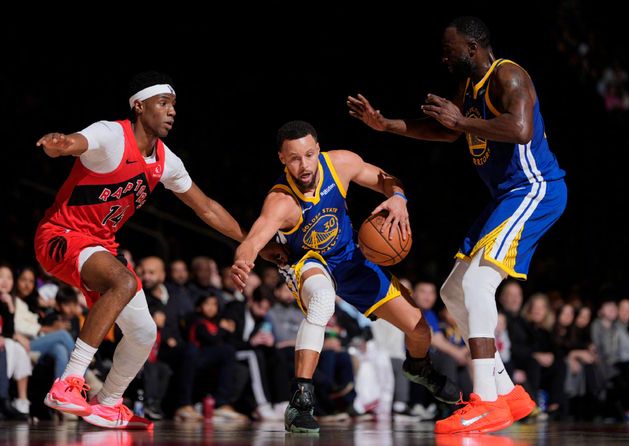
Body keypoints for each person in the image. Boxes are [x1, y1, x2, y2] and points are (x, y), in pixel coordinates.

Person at [347, 16, 566, 433]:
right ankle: (508, 393)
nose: (444, 58)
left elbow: (520, 129)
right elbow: (446, 131)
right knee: (453, 291)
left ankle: (486, 400)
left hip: (535, 188)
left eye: (450, 50)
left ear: (472, 48)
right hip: (506, 196)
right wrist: (386, 125)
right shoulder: (470, 86)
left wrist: (460, 122)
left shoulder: (509, 76)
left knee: (478, 284)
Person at [34, 71, 282, 429]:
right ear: (139, 106)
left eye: (174, 105)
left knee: (144, 333)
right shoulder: (111, 135)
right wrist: (59, 144)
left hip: (100, 246)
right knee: (123, 281)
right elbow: (74, 143)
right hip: (61, 235)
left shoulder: (167, 161)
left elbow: (207, 208)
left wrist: (251, 241)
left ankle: (108, 403)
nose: (172, 111)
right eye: (163, 103)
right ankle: (68, 383)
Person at [231, 120, 459, 433]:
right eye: (294, 158)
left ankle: (419, 366)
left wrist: (398, 198)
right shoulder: (281, 201)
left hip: (349, 257)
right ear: (282, 159)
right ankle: (300, 402)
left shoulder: (340, 164)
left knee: (418, 328)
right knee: (323, 300)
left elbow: (387, 180)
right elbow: (254, 240)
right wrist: (242, 261)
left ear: (318, 150)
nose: (304, 165)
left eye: (309, 155)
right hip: (307, 262)